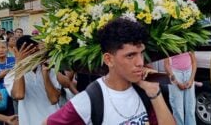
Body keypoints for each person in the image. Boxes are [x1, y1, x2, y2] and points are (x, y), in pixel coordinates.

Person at [45, 18, 175, 124]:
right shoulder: (90, 99)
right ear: (108, 59)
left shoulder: (146, 89)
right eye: (130, 55)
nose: (140, 62)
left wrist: (154, 94)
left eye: (141, 53)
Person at [4, 35, 61, 125]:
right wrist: (20, 64)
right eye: (28, 53)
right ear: (18, 53)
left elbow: (54, 99)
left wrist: (45, 75)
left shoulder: (49, 70)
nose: (32, 56)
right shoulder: (11, 75)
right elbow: (19, 95)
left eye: (35, 52)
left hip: (52, 121)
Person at [164, 52, 197, 125]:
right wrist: (177, 83)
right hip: (175, 73)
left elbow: (194, 62)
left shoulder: (188, 42)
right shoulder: (169, 43)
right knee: (177, 109)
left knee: (190, 107)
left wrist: (191, 79)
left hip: (189, 73)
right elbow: (166, 65)